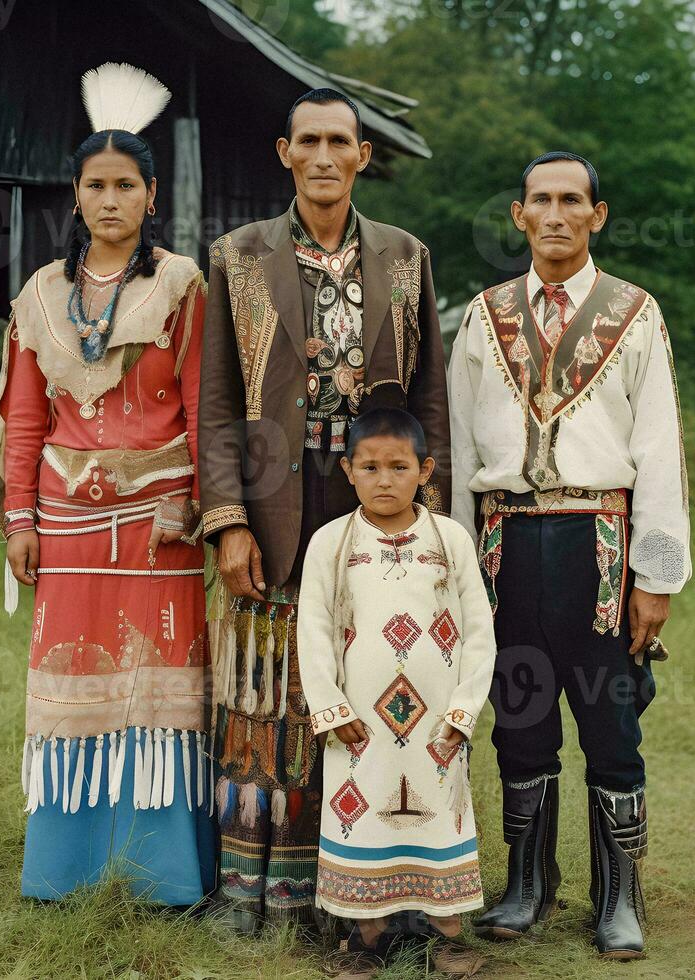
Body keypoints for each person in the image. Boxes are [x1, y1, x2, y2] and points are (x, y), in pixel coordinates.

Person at [198, 88, 451, 932]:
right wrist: (227, 516)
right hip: (274, 497)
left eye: (339, 141)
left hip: (374, 499)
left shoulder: (407, 257)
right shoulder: (236, 256)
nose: (324, 157)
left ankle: (365, 890)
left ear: (362, 154)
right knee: (266, 687)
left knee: (373, 681)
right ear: (284, 153)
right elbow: (218, 400)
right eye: (308, 141)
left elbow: (429, 399)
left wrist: (431, 521)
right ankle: (251, 891)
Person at [0, 63, 215, 904]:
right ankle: (63, 870)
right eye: (95, 184)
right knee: (74, 690)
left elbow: (199, 408)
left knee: (160, 690)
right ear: (75, 196)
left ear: (151, 196)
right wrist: (18, 520)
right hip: (68, 524)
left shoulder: (184, 287)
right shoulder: (41, 298)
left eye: (126, 184)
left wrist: (195, 503)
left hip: (160, 524)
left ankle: (165, 877)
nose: (109, 198)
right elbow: (24, 422)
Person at [448, 151, 691, 959]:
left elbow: (659, 450)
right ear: (518, 216)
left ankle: (620, 898)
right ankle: (527, 884)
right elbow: (454, 447)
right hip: (502, 544)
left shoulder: (635, 312)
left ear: (597, 213)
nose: (555, 214)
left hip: (599, 545)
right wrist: (453, 569)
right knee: (518, 721)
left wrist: (653, 578)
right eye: (539, 200)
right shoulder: (484, 316)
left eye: (571, 200)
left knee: (610, 722)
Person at [297, 409, 493, 979]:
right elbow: (312, 630)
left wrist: (461, 711)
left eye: (399, 467)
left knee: (441, 816)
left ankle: (449, 937)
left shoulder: (449, 539)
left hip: (437, 726)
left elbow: (480, 631)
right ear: (348, 471)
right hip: (359, 727)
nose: (384, 479)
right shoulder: (331, 543)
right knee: (362, 817)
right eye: (370, 467)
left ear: (425, 470)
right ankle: (367, 938)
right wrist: (330, 709)